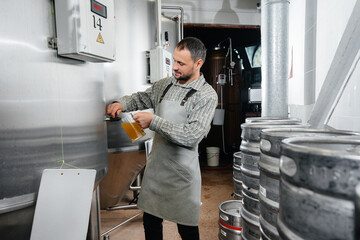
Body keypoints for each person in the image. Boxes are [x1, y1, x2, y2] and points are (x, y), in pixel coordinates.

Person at [107, 37, 218, 240]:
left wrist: (154, 122)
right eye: (174, 60)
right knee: (150, 222)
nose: (174, 67)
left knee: (187, 229)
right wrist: (120, 103)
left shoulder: (206, 95)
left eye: (181, 63)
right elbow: (140, 98)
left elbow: (192, 135)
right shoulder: (165, 85)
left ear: (198, 63)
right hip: (156, 171)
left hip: (182, 176)